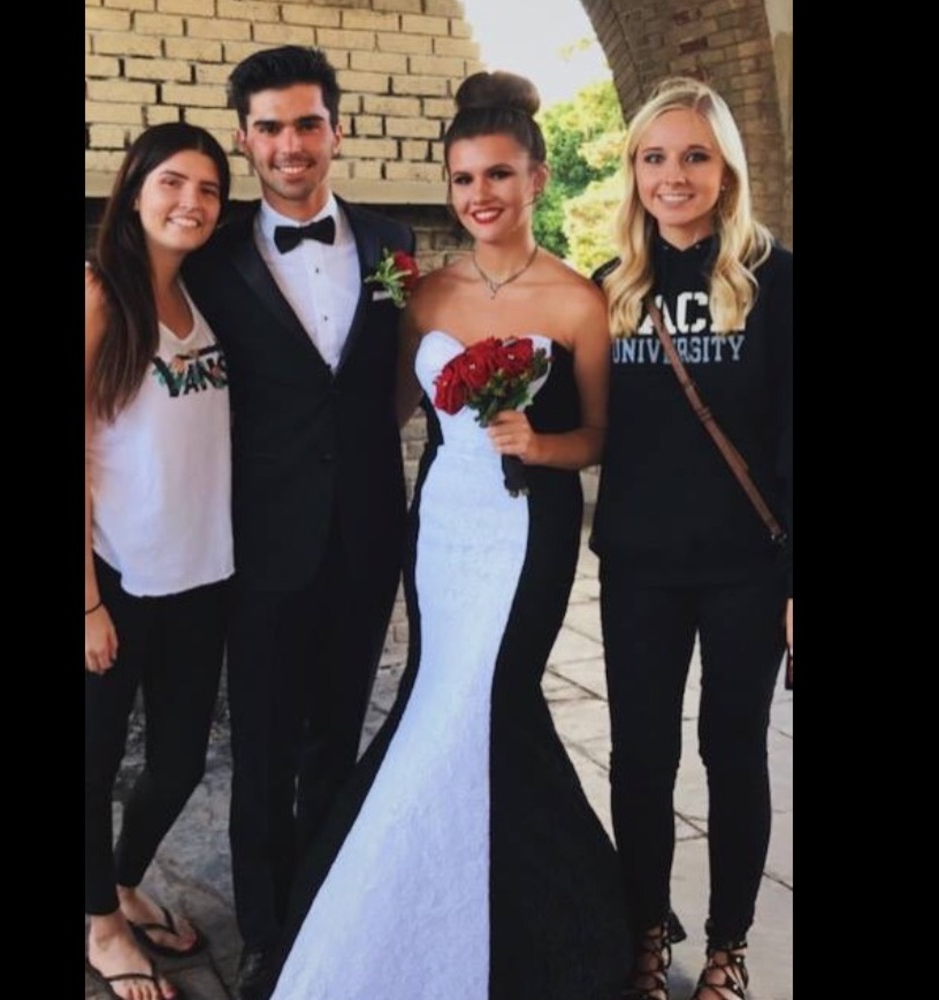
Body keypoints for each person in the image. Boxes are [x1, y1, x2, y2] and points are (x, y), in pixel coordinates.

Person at [256, 70, 631, 1000]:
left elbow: (598, 439)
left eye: (498, 176)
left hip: (527, 529)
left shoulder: (580, 302)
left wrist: (541, 443)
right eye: (463, 180)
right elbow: (373, 412)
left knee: (495, 699)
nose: (480, 197)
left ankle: (558, 919)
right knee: (437, 697)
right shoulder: (422, 296)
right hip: (443, 530)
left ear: (537, 179)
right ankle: (408, 892)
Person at [179, 45, 416, 1000]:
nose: (289, 145)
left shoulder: (394, 240)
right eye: (269, 127)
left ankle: (332, 910)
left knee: (339, 741)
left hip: (364, 535)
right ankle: (270, 938)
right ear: (245, 139)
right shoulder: (213, 251)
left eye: (306, 123)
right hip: (258, 543)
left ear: (336, 129)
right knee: (265, 747)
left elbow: (397, 376)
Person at [589, 76, 793, 1000]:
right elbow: (591, 429)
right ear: (634, 171)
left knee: (734, 750)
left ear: (726, 170)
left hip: (747, 567)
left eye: (695, 156)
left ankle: (728, 945)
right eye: (655, 157)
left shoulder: (777, 281)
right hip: (637, 566)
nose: (674, 176)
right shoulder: (612, 288)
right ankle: (644, 926)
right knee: (639, 754)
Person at [85, 122, 233, 1000]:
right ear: (135, 190)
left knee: (177, 761)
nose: (191, 202)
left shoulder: (199, 299)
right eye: (173, 182)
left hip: (201, 577)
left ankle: (123, 883)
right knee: (94, 764)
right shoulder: (103, 293)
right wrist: (88, 604)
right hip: (117, 583)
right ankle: (100, 925)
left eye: (210, 189)